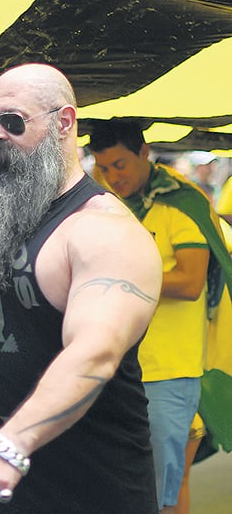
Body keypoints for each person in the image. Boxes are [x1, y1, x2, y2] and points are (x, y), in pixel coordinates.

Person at [0, 0, 162, 511]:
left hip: (85, 494)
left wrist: (11, 445)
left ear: (64, 122)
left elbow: (95, 350)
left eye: (13, 121)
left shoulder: (103, 231)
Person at [89, 120, 232, 514]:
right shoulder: (118, 206)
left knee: (164, 489)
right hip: (124, 365)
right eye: (104, 168)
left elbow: (190, 281)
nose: (113, 176)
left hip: (170, 371)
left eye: (120, 165)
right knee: (138, 484)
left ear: (144, 152)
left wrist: (122, 276)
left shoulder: (180, 204)